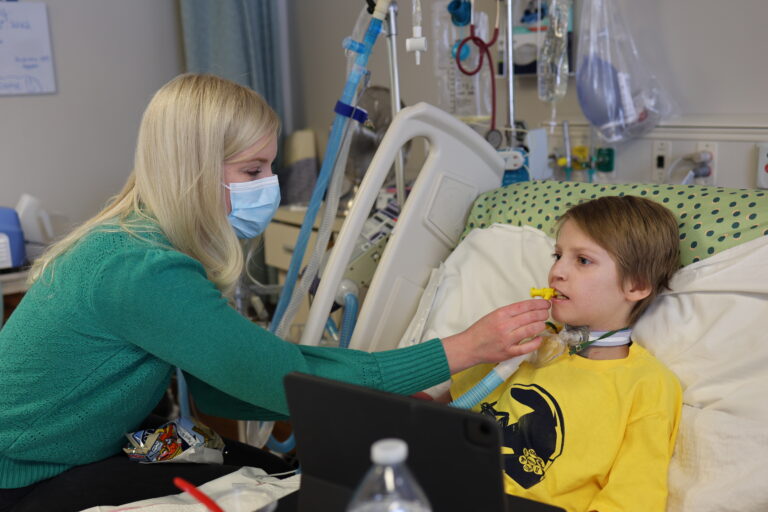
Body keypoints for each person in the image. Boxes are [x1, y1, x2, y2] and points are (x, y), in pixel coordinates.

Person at [0, 73, 550, 512]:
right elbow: (291, 379)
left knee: (261, 464)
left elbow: (217, 392)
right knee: (269, 485)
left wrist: (383, 395)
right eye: (252, 169)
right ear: (192, 171)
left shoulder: (131, 237)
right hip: (31, 475)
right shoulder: (141, 270)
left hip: (119, 441)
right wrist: (465, 348)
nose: (271, 184)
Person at [450, 195, 683, 512]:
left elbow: (632, 498)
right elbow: (451, 408)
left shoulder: (647, 386)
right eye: (557, 255)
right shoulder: (528, 345)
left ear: (637, 285)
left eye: (583, 260)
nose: (556, 271)